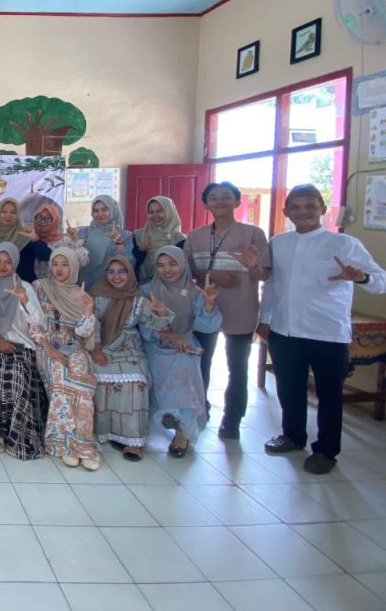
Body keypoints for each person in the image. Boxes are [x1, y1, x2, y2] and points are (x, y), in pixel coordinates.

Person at [258, 184, 386, 474]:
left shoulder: (343, 244)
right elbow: (272, 285)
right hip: (285, 330)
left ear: (322, 209)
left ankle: (326, 451)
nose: (302, 212)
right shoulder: (278, 242)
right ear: (286, 211)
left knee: (329, 394)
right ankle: (292, 436)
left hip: (326, 332)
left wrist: (361, 277)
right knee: (289, 388)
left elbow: (381, 281)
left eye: (310, 206)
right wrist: (265, 319)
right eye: (295, 207)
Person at [184, 181, 269, 440]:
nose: (220, 201)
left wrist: (251, 265)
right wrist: (213, 274)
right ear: (205, 204)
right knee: (200, 364)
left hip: (240, 307)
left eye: (226, 196)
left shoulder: (252, 234)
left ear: (237, 201)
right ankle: (200, 410)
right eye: (214, 198)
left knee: (238, 367)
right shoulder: (195, 236)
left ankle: (232, 420)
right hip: (203, 309)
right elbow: (185, 269)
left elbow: (264, 274)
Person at [89, 256, 173, 460]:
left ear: (129, 274)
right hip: (101, 347)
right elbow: (91, 324)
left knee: (137, 379)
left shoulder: (138, 299)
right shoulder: (96, 295)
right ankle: (106, 431)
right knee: (97, 375)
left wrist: (161, 313)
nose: (116, 276)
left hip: (129, 348)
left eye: (121, 271)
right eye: (111, 272)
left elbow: (158, 326)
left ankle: (133, 440)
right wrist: (96, 349)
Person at [140, 247, 221, 457]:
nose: (167, 270)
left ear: (183, 265)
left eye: (172, 264)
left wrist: (209, 305)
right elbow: (144, 326)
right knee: (157, 372)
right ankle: (168, 416)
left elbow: (207, 327)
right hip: (155, 345)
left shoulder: (195, 292)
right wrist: (166, 333)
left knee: (185, 369)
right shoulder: (147, 290)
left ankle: (182, 432)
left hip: (185, 345)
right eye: (161, 265)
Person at [32, 248, 101, 470]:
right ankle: (62, 444)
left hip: (73, 346)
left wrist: (88, 310)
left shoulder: (81, 294)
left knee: (81, 381)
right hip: (46, 345)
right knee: (61, 379)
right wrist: (48, 348)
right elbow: (32, 322)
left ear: (73, 267)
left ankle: (83, 445)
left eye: (65, 265)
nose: (59, 269)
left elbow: (83, 333)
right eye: (55, 264)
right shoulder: (40, 287)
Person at [0, 243, 47, 459]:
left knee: (16, 375)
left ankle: (17, 435)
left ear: (15, 263)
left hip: (22, 344)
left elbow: (38, 321)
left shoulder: (24, 286)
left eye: (8, 262)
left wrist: (24, 299)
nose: (1, 266)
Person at [17, 202, 88, 282]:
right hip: (34, 286)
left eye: (48, 218)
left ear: (55, 220)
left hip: (60, 287)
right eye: (39, 217)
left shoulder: (65, 241)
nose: (42, 221)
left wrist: (76, 240)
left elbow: (82, 261)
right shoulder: (29, 239)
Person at [73, 195, 132, 290]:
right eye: (96, 211)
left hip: (110, 287)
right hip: (82, 286)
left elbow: (128, 264)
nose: (100, 214)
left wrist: (119, 243)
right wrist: (73, 238)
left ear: (113, 210)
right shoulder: (85, 232)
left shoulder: (125, 236)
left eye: (104, 210)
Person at [132, 196, 186, 283]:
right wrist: (141, 250)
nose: (155, 215)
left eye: (160, 211)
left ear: (169, 212)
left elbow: (182, 269)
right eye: (150, 212)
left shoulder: (179, 239)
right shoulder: (138, 235)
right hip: (140, 286)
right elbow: (131, 264)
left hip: (169, 287)